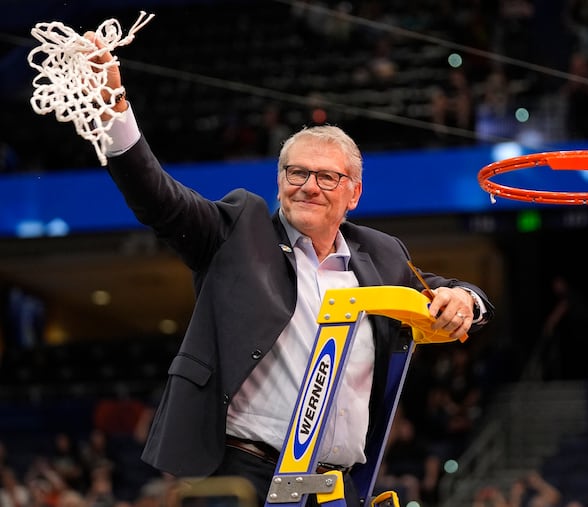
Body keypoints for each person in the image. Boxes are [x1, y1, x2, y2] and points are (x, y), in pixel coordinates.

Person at [80, 32, 494, 507]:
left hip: (340, 488)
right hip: (245, 478)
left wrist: (465, 300)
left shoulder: (381, 254)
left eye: (327, 177)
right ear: (280, 182)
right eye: (296, 173)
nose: (309, 186)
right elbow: (160, 199)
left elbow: (450, 292)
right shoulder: (240, 230)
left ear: (353, 194)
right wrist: (114, 112)